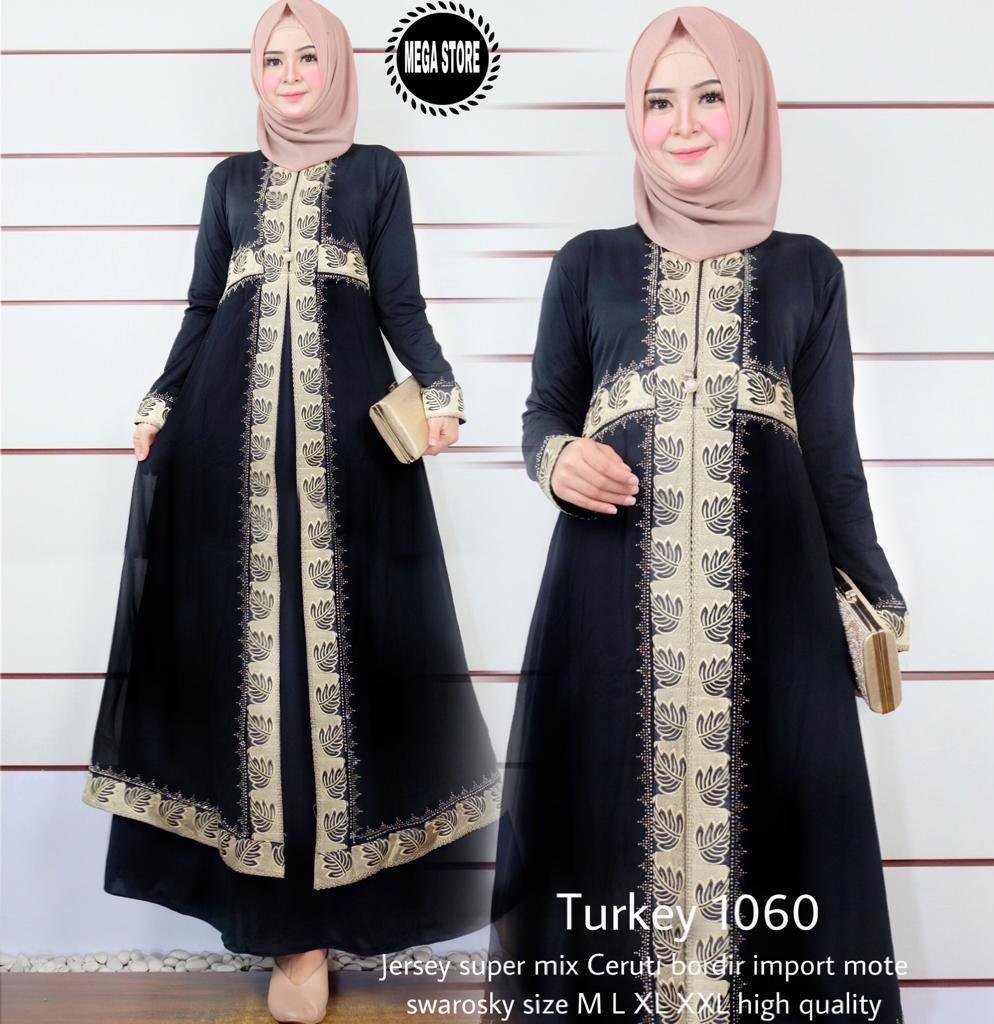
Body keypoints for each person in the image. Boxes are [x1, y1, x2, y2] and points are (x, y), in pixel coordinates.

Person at [485, 7, 910, 1023]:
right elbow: (543, 412)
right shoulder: (586, 261)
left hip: (775, 609)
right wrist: (556, 458)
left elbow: (832, 455)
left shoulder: (808, 269)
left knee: (774, 817)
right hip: (603, 602)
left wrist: (877, 597)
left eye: (709, 96)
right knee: (603, 812)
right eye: (658, 101)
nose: (682, 124)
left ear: (749, 107)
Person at [80, 2, 500, 1021]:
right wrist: (160, 401)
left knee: (341, 671)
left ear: (340, 66)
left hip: (351, 465)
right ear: (254, 73)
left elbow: (400, 306)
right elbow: (202, 308)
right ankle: (284, 936)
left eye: (311, 54)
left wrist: (442, 389)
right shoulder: (228, 182)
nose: (292, 72)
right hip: (222, 464)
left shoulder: (376, 174)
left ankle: (334, 917)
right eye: (274, 58)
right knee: (248, 672)